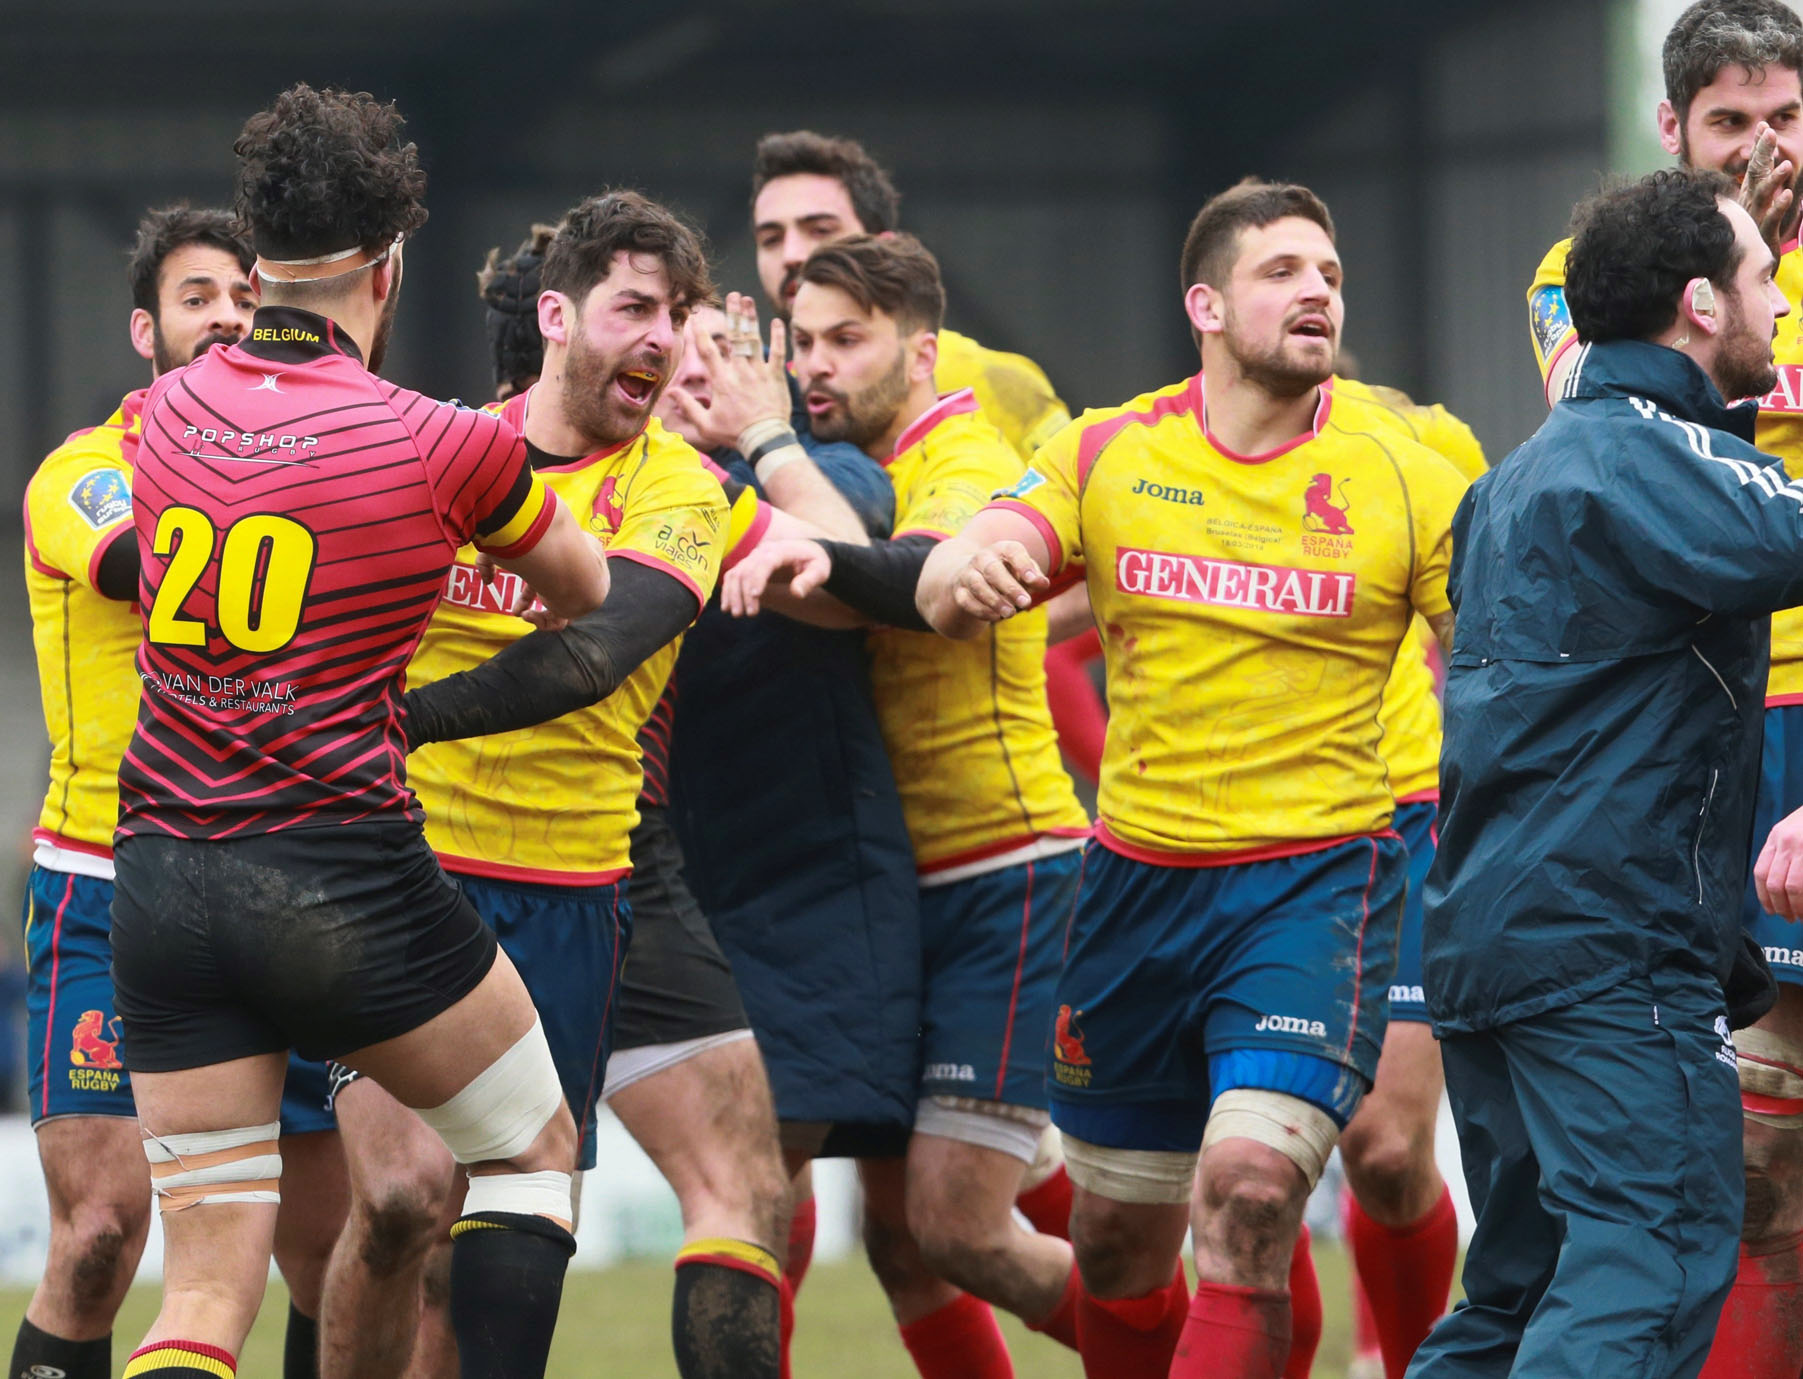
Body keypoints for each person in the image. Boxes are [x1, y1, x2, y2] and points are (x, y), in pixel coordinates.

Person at [916, 179, 1468, 1379]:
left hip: (1322, 881)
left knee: (1255, 1188)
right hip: (1135, 891)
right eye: (1283, 270)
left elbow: (1503, 659)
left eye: (1329, 271)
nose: (1318, 287)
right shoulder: (1108, 448)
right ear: (1205, 304)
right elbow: (998, 539)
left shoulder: (1410, 471)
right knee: (1117, 1243)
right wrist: (969, 566)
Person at [106, 84, 611, 1379]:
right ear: (387, 270)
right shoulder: (437, 440)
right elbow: (584, 588)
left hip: (163, 873)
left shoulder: (156, 420)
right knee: (532, 1147)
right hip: (337, 870)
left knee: (205, 1286)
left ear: (256, 258)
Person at [321, 204, 825, 1379]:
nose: (663, 340)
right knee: (400, 1203)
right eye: (635, 309)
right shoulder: (431, 451)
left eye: (678, 318)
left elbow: (597, 649)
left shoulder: (687, 489)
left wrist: (399, 718)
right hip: (408, 872)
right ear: (554, 317)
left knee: (731, 1185)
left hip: (591, 885)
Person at [1415, 168, 1800, 1379]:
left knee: (1516, 1297)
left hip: (1488, 949)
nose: (1780, 308)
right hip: (1609, 960)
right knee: (1652, 1263)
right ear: (1699, 304)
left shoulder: (1517, 474)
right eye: (1763, 281)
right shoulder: (1658, 460)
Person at [724, 232, 1094, 1378]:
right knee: (902, 1239)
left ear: (924, 350)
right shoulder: (858, 462)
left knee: (955, 1222)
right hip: (893, 889)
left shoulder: (965, 450)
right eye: (805, 346)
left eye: (850, 339)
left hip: (1003, 870)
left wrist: (768, 445)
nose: (818, 365)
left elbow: (912, 589)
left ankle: (1208, 1357)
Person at [16, 204, 347, 1379]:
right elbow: (131, 562)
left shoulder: (319, 467)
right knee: (101, 1233)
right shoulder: (83, 471)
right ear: (145, 330)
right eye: (199, 297)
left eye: (247, 300)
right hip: (108, 886)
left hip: (285, 879)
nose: (226, 320)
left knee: (331, 1254)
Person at [1525, 9, 1803, 1372]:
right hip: (1727, 728)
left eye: (1785, 119)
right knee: (1754, 1152)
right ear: (1671, 131)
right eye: (1730, 125)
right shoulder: (1591, 275)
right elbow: (1608, 409)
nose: (1764, 151)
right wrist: (1715, 259)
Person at [1331, 375, 1487, 1379]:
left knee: (1385, 1147)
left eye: (1324, 271)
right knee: (1222, 1181)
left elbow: (1483, 628)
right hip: (1211, 839)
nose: (1310, 292)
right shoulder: (1153, 448)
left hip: (1401, 819)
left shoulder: (1427, 437)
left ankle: (1398, 1357)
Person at [747, 129, 1070, 462]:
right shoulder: (756, 397)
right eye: (771, 239)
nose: (792, 255)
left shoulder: (997, 382)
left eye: (821, 230)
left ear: (884, 247)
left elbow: (1074, 501)